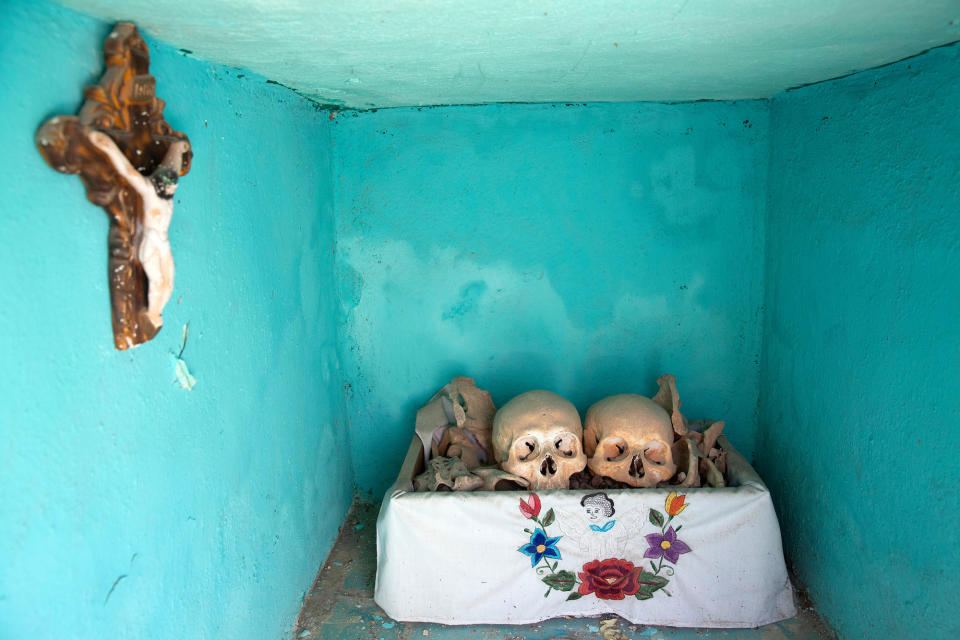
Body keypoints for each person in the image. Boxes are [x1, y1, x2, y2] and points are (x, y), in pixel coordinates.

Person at [88, 130, 189, 330]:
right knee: (158, 281)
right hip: (150, 242)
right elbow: (128, 172)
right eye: (169, 189)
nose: (172, 192)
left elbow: (173, 166)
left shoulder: (166, 197)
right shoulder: (150, 191)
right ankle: (152, 313)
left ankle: (157, 312)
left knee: (169, 282)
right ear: (161, 185)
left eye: (173, 190)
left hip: (163, 242)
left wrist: (178, 148)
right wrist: (105, 144)